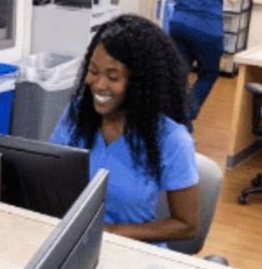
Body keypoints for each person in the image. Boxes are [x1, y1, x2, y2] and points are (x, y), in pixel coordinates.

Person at [49, 14, 200, 246]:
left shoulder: (172, 140)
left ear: (140, 83)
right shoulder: (77, 114)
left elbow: (187, 225)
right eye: (93, 71)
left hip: (133, 253)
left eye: (113, 77)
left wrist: (112, 233)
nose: (99, 85)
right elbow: (48, 177)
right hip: (74, 243)